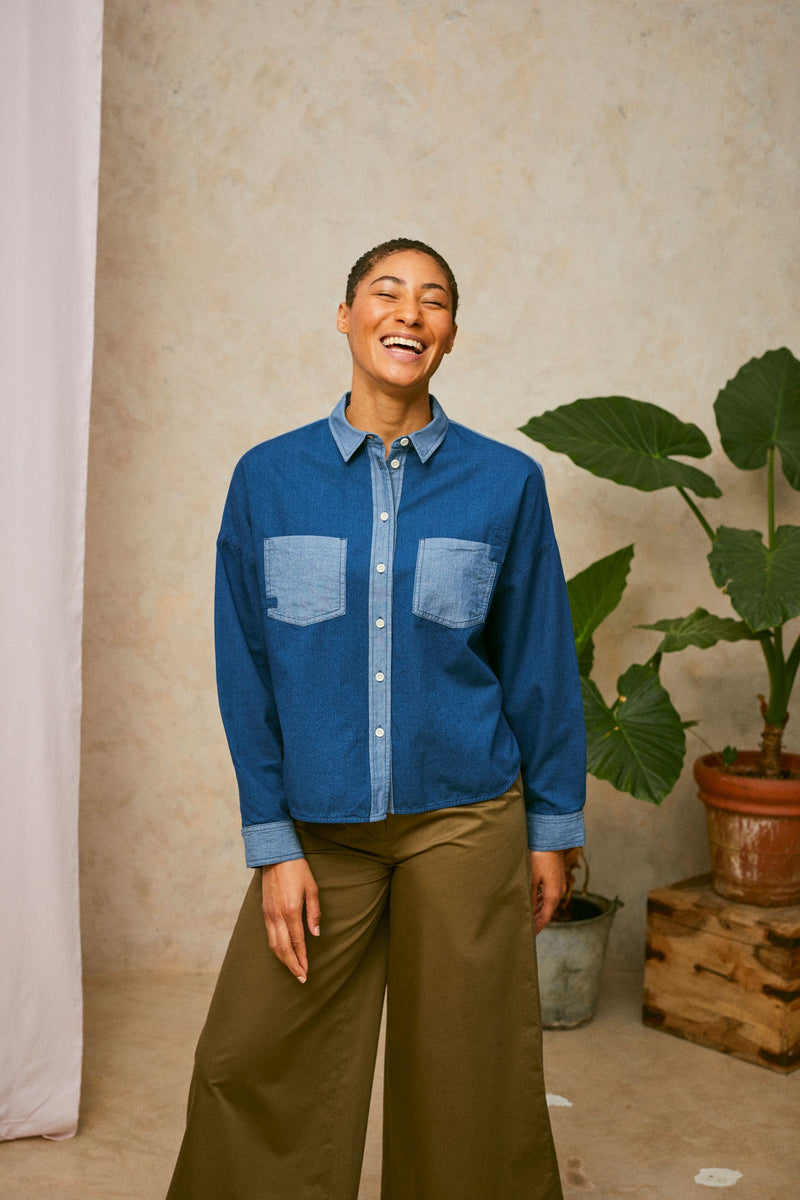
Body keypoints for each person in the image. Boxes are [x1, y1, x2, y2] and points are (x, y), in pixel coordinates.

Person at [166, 237, 586, 1200]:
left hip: (464, 817)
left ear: (450, 336)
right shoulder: (268, 480)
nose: (409, 312)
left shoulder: (505, 483)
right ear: (346, 316)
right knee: (253, 1065)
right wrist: (272, 842)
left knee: (470, 1085)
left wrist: (552, 828)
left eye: (433, 300)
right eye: (386, 292)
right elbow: (248, 671)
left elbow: (537, 665)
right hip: (320, 828)